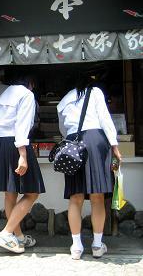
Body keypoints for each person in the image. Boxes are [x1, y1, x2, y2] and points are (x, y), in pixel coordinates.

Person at [57, 75, 122, 260]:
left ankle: (76, 247)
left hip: (72, 142)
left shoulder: (63, 100)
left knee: (75, 197)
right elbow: (104, 118)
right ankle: (96, 245)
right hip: (95, 141)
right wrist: (115, 146)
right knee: (97, 196)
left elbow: (63, 128)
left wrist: (72, 139)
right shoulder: (95, 92)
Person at [0, 76, 45, 254]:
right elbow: (22, 125)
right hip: (15, 143)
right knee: (33, 192)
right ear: (31, 84)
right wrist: (23, 155)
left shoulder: (5, 94)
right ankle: (6, 232)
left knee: (10, 193)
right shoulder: (27, 95)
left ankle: (17, 237)